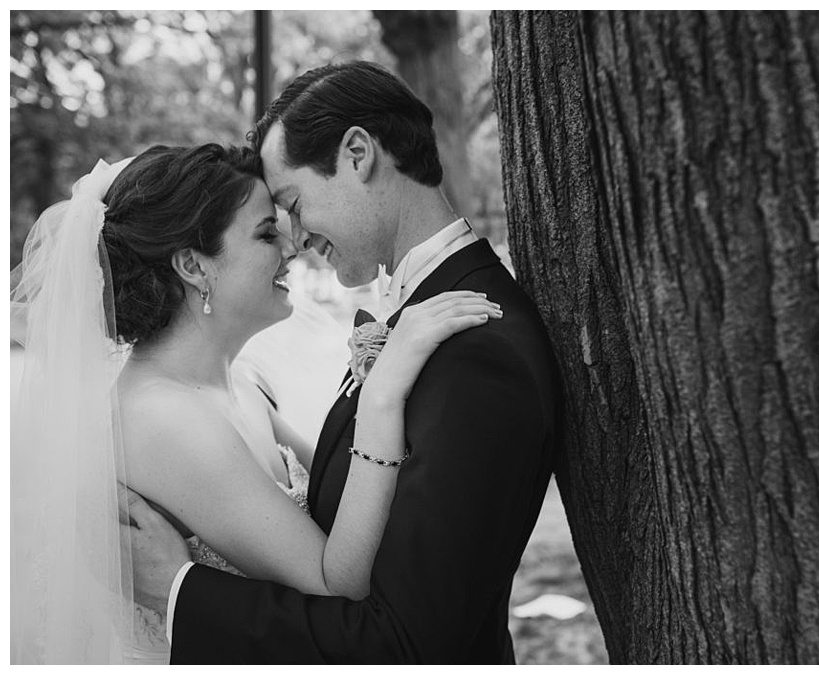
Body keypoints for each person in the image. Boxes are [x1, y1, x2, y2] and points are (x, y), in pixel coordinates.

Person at [125, 61, 562, 663]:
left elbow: (405, 643)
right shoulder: (422, 319)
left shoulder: (474, 347)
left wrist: (183, 591)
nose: (295, 239)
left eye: (294, 204)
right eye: (272, 225)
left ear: (358, 155)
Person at [9, 144, 501, 664]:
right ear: (194, 266)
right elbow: (337, 582)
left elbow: (351, 497)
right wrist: (382, 394)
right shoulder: (163, 418)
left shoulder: (237, 386)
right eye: (266, 233)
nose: (292, 249)